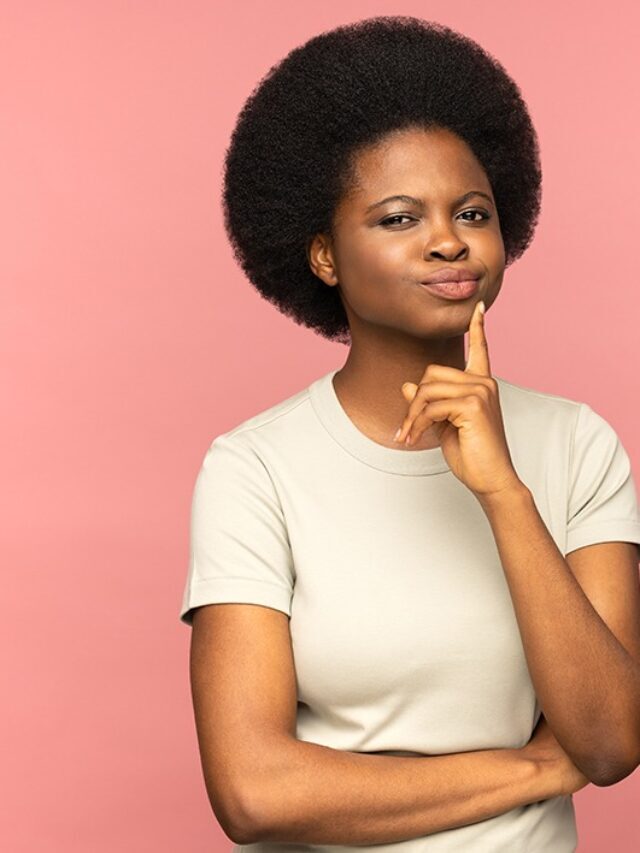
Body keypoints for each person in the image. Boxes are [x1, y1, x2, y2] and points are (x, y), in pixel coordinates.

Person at [180, 16, 640, 851]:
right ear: (323, 254)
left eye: (472, 211)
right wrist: (535, 770)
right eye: (398, 218)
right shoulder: (256, 468)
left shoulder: (578, 445)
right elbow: (252, 790)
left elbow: (608, 740)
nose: (447, 240)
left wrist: (503, 491)